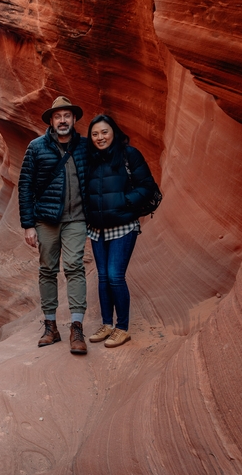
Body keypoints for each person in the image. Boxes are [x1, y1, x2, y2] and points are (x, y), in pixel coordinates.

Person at [18, 96, 89, 355]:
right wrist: (28, 225)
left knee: (74, 267)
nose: (62, 120)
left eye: (67, 116)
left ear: (73, 119)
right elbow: (25, 186)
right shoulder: (36, 147)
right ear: (51, 120)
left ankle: (77, 327)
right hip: (46, 219)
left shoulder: (84, 146)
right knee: (48, 270)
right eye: (58, 116)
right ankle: (51, 326)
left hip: (77, 219)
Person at [83, 114, 158, 348]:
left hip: (123, 226)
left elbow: (147, 186)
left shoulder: (129, 154)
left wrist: (125, 202)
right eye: (95, 134)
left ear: (113, 131)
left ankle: (122, 328)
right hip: (97, 229)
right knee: (103, 277)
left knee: (115, 276)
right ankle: (107, 324)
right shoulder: (89, 158)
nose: (100, 137)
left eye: (104, 132)